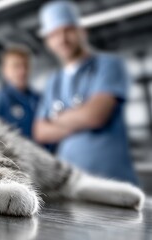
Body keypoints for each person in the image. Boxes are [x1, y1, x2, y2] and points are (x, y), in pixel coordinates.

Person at [33, 1, 138, 184]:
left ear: (82, 31)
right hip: (71, 181)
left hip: (113, 179)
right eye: (55, 34)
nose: (62, 39)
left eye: (68, 30)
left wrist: (57, 117)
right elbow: (40, 131)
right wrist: (78, 117)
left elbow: (95, 116)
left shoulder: (108, 65)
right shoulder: (53, 81)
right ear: (49, 41)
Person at [0, 46, 40, 139]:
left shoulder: (38, 99)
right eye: (16, 66)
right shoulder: (0, 101)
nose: (22, 71)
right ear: (5, 70)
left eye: (25, 65)